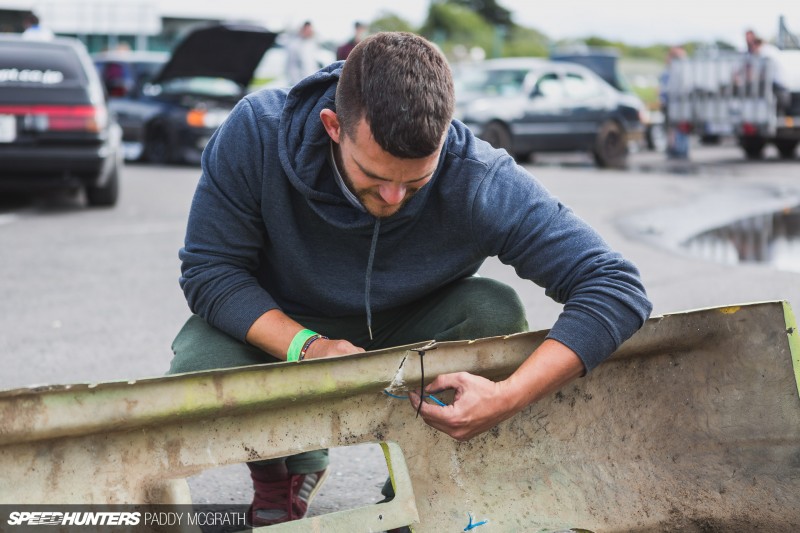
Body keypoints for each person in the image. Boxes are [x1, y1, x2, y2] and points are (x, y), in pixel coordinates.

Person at [170, 32, 652, 526]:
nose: (395, 197)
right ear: (333, 126)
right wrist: (308, 347)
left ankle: (412, 486)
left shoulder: (477, 175)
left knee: (491, 310)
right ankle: (283, 470)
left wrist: (507, 399)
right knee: (199, 363)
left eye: (415, 181)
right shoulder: (256, 132)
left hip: (410, 320)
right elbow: (211, 270)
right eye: (375, 176)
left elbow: (614, 286)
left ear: (444, 137)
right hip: (285, 318)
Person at [659, 46, 689, 159]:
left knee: (678, 127)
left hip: (678, 104)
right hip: (671, 104)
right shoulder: (668, 72)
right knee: (672, 128)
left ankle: (679, 150)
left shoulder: (678, 71)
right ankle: (675, 149)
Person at [285, 21, 319, 85]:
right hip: (297, 82)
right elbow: (291, 65)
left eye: (310, 29)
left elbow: (312, 64)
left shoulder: (312, 44)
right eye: (307, 29)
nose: (309, 31)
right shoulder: (294, 45)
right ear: (302, 29)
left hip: (311, 80)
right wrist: (295, 82)